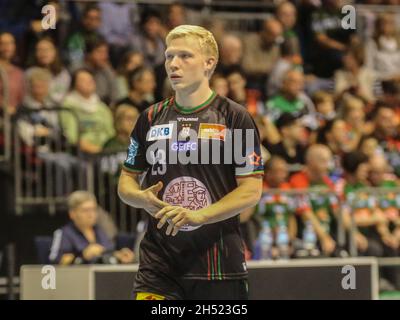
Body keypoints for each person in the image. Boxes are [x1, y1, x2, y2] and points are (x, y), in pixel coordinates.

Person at [118, 25, 263, 300]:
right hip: (158, 265)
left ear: (209, 63)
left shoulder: (234, 117)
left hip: (218, 264)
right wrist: (141, 198)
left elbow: (251, 190)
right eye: (169, 56)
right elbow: (126, 181)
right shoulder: (150, 117)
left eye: (185, 56)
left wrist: (200, 214)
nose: (173, 64)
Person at [49, 191, 134, 265]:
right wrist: (83, 256)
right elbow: (55, 260)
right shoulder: (63, 233)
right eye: (85, 210)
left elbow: (108, 252)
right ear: (72, 214)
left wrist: (119, 255)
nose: (91, 214)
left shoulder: (100, 230)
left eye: (93, 209)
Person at [60, 68, 115, 154]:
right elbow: (72, 137)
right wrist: (96, 150)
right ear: (74, 84)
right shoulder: (68, 106)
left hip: (106, 150)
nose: (89, 82)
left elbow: (111, 133)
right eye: (83, 80)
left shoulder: (102, 107)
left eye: (90, 79)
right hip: (82, 152)